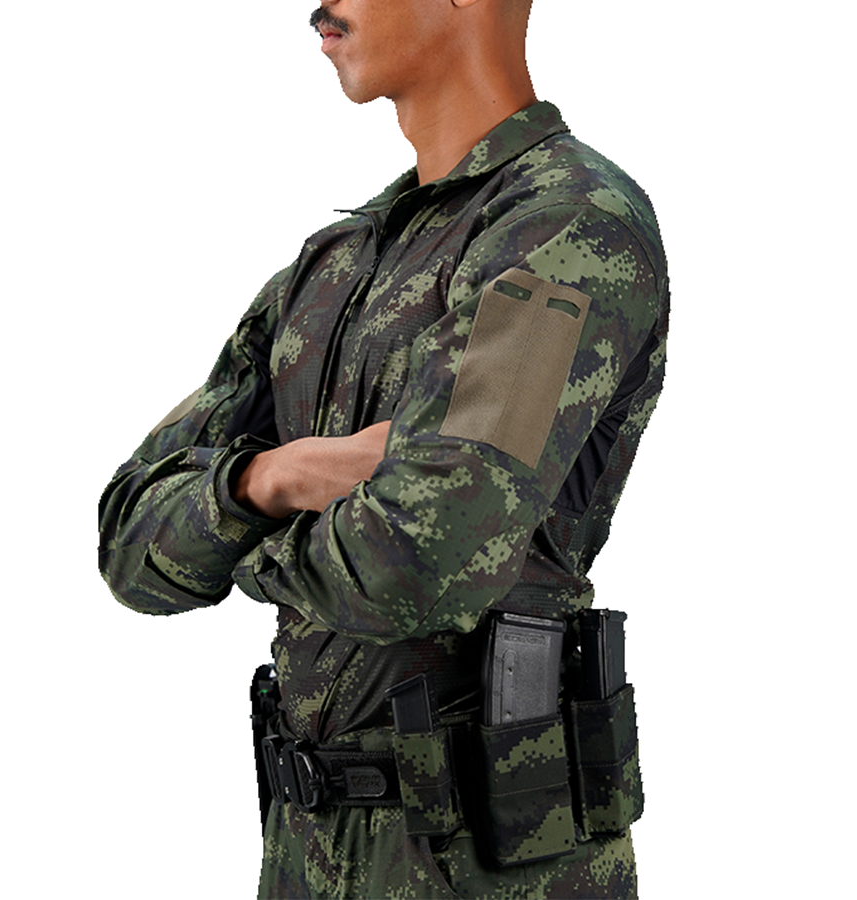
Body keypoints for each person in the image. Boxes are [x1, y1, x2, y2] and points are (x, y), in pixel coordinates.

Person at [98, 0, 669, 897]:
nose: (318, 8)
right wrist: (273, 477)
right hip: (307, 853)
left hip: (487, 867)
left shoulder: (566, 228)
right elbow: (131, 547)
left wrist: (237, 544)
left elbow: (420, 561)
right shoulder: (336, 263)